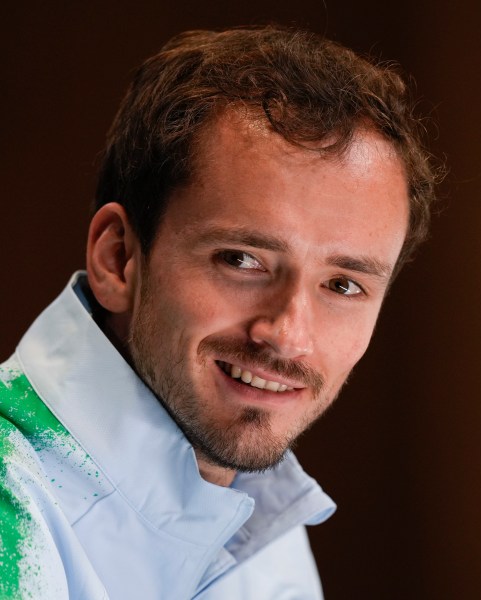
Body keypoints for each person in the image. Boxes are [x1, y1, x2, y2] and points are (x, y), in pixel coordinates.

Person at [0, 26, 437, 599]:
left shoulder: (261, 525)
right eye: (242, 259)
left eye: (343, 284)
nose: (288, 336)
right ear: (118, 258)